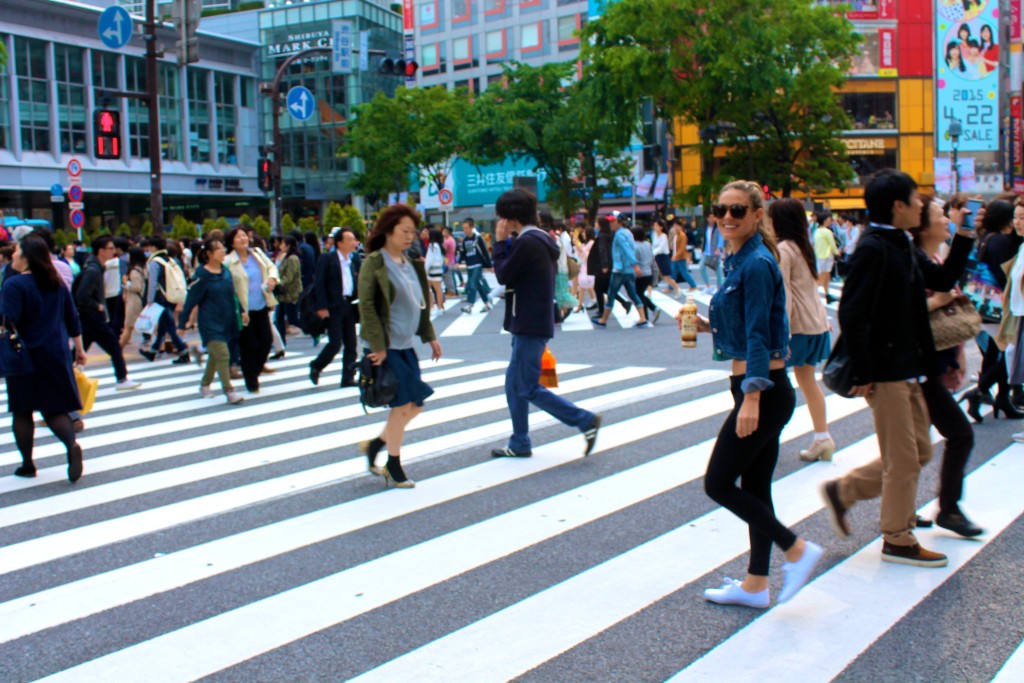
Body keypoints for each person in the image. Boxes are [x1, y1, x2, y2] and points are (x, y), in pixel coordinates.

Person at [821, 169, 975, 568]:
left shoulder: (900, 241)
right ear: (898, 206)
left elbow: (940, 278)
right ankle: (898, 537)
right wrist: (865, 374)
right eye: (917, 199)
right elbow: (852, 312)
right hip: (886, 371)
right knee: (905, 459)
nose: (923, 206)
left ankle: (845, 491)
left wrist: (963, 237)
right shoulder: (873, 247)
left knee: (919, 451)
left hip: (912, 366)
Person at [686, 180, 822, 608]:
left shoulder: (758, 263)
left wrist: (752, 395)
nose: (727, 217)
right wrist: (710, 327)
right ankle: (756, 585)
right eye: (720, 209)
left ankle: (796, 550)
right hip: (758, 387)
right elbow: (750, 326)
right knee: (757, 487)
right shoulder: (739, 260)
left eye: (738, 211)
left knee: (719, 483)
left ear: (757, 215)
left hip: (763, 390)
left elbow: (763, 334)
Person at [490, 188, 602, 459]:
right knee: (513, 384)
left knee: (526, 386)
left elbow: (504, 274)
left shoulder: (527, 242)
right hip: (530, 320)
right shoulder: (539, 238)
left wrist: (499, 242)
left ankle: (583, 419)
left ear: (510, 217)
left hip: (529, 322)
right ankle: (519, 442)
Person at [909, 197, 983, 537]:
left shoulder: (932, 256)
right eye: (942, 215)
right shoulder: (914, 259)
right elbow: (901, 314)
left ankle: (903, 509)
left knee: (914, 446)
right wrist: (938, 301)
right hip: (917, 366)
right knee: (958, 435)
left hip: (932, 363)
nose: (948, 219)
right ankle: (847, 491)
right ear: (923, 224)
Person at [357, 204, 442, 489]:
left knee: (415, 406)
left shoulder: (411, 263)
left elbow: (422, 304)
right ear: (388, 230)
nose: (410, 236)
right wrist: (378, 346)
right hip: (386, 346)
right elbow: (367, 306)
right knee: (402, 404)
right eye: (404, 231)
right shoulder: (375, 262)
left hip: (405, 345)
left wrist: (429, 335)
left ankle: (376, 444)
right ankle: (394, 465)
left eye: (413, 232)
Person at [1, 234, 88, 482]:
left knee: (22, 410)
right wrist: (80, 350)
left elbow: (7, 320)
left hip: (24, 356)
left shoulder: (14, 285)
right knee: (53, 408)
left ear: (27, 257)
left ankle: (27, 464)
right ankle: (71, 444)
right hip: (56, 353)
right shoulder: (57, 283)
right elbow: (72, 319)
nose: (13, 255)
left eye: (17, 252)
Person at [770, 199, 834, 461]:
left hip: (797, 328)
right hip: (816, 324)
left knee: (773, 384)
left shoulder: (783, 249)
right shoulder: (802, 246)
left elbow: (784, 294)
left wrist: (781, 334)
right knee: (808, 382)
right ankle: (823, 438)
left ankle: (765, 443)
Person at [179, 240, 245, 405]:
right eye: (218, 250)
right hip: (210, 322)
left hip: (228, 320)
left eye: (223, 249)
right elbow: (190, 301)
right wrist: (182, 325)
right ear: (208, 253)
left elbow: (233, 294)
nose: (223, 252)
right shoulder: (201, 275)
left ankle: (204, 384)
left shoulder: (225, 271)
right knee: (223, 355)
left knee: (215, 357)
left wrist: (242, 311)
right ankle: (229, 390)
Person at [73, 236, 141, 390]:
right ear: (101, 251)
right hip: (93, 316)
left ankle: (64, 376)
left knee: (79, 350)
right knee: (114, 347)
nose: (113, 251)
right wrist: (97, 306)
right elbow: (82, 295)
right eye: (110, 248)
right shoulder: (93, 270)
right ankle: (122, 378)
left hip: (89, 317)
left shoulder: (94, 266)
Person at [224, 227, 279, 394]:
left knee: (266, 340)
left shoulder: (257, 253)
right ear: (231, 242)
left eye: (244, 236)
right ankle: (251, 380)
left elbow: (272, 267)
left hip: (261, 304)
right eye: (238, 236)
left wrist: (272, 279)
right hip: (243, 310)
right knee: (248, 345)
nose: (243, 239)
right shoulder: (228, 261)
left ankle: (254, 371)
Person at [310, 227, 361, 387]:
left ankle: (347, 377)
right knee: (335, 343)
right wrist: (322, 307)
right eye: (350, 240)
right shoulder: (328, 258)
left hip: (349, 305)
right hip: (333, 306)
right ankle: (317, 365)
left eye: (354, 239)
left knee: (351, 343)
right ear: (340, 243)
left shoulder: (352, 260)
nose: (354, 243)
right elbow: (319, 284)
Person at [592, 213, 649, 328]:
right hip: (628, 270)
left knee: (611, 293)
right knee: (633, 293)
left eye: (613, 221)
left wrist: (635, 264)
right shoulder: (627, 233)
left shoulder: (619, 235)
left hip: (620, 269)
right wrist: (633, 266)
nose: (610, 223)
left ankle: (603, 320)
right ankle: (643, 318)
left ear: (619, 222)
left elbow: (626, 250)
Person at [139, 236, 190, 364]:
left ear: (153, 247)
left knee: (170, 327)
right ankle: (153, 351)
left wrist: (149, 301)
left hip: (160, 299)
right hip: (171, 297)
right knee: (163, 326)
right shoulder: (170, 260)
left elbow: (152, 283)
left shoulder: (155, 262)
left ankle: (184, 351)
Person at [273, 235, 303, 350]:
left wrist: (278, 283)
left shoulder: (292, 258)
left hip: (290, 293)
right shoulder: (286, 257)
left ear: (288, 246)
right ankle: (281, 343)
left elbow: (289, 277)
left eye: (283, 244)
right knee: (279, 317)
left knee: (293, 319)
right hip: (283, 293)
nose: (281, 246)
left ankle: (313, 330)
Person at [459, 218, 493, 313]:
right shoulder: (465, 240)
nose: (465, 230)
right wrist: (458, 262)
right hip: (469, 265)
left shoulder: (478, 238)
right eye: (463, 228)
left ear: (472, 227)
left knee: (472, 284)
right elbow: (463, 253)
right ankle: (487, 303)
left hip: (478, 264)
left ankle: (470, 305)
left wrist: (490, 265)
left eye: (466, 228)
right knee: (478, 285)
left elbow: (485, 252)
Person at [119, 246, 147, 348]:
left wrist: (126, 283)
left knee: (128, 327)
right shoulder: (143, 268)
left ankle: (118, 350)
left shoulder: (134, 271)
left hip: (135, 301)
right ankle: (160, 346)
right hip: (141, 300)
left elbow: (136, 287)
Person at [632, 226, 659, 323]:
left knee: (637, 295)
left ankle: (646, 315)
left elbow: (634, 260)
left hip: (640, 273)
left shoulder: (634, 246)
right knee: (640, 294)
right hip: (649, 272)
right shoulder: (648, 244)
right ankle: (651, 309)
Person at [813, 212, 840, 303]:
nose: (831, 220)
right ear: (825, 220)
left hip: (819, 256)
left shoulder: (817, 231)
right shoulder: (827, 232)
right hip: (827, 256)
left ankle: (827, 294)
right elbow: (832, 244)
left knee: (826, 276)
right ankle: (813, 296)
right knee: (822, 277)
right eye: (829, 218)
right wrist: (837, 252)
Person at [652, 218, 681, 296]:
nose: (655, 227)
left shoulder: (664, 236)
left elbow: (661, 247)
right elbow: (654, 246)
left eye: (657, 226)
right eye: (654, 225)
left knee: (666, 276)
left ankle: (677, 288)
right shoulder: (654, 235)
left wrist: (653, 253)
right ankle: (649, 292)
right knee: (657, 275)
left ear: (661, 227)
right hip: (656, 256)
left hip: (663, 256)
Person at [573, 226, 597, 312]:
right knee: (584, 287)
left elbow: (588, 256)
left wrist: (580, 248)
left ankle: (604, 301)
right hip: (585, 267)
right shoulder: (588, 243)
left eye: (584, 232)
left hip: (588, 267)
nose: (583, 234)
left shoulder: (591, 243)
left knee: (586, 286)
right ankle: (581, 305)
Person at [424, 228, 446, 313]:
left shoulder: (432, 246)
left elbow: (429, 259)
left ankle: (432, 306)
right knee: (437, 289)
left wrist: (425, 269)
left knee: (428, 288)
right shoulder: (439, 246)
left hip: (432, 269)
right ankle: (439, 307)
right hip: (438, 269)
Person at [699, 216, 724, 292]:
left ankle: (720, 287)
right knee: (701, 267)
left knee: (718, 269)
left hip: (715, 251)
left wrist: (718, 248)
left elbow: (721, 238)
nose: (711, 219)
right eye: (710, 217)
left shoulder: (717, 228)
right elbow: (705, 239)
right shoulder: (706, 227)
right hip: (706, 251)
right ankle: (708, 285)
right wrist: (702, 250)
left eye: (713, 217)